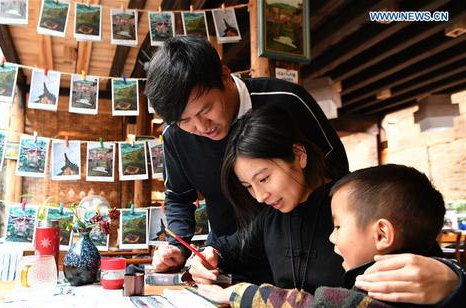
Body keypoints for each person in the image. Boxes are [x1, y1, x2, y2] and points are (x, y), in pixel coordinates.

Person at [188, 106, 464, 308]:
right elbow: (228, 248)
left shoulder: (352, 203)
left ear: (299, 155)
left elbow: (426, 256)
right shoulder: (270, 218)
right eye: (248, 186)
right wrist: (208, 256)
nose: (260, 196)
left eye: (264, 178)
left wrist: (452, 278)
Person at [198, 164, 466, 308]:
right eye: (248, 186)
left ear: (382, 234)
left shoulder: (392, 303)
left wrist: (235, 294)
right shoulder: (416, 289)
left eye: (337, 227)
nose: (331, 238)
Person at [146, 35, 349, 283]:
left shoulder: (287, 101)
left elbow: (338, 175)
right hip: (227, 261)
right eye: (184, 120)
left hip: (308, 262)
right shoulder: (175, 135)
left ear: (224, 75)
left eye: (205, 109)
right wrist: (177, 245)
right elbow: (178, 196)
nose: (200, 127)